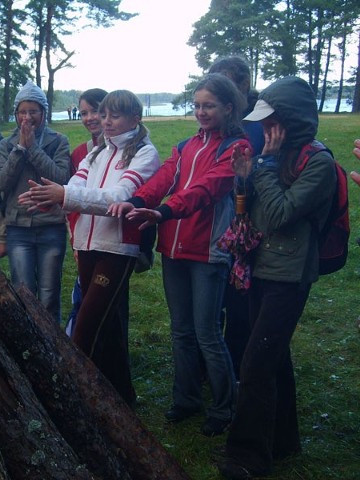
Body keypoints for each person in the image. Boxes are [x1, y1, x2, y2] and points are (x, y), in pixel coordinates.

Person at [108, 74, 251, 436]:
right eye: (198, 105)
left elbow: (207, 189)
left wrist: (164, 212)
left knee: (206, 333)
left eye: (210, 106)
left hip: (207, 251)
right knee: (181, 330)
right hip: (173, 248)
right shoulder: (186, 145)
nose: (201, 112)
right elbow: (164, 178)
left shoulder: (237, 148)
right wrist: (137, 201)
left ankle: (224, 406)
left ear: (228, 107)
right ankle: (186, 399)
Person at [217, 76, 337, 479]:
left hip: (289, 276)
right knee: (274, 358)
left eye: (272, 122)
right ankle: (284, 441)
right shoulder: (276, 153)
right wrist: (244, 177)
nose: (264, 130)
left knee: (255, 365)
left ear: (291, 120)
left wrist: (263, 168)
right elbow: (254, 211)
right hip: (261, 266)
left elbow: (284, 213)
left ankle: (247, 458)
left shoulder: (318, 162)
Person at [19, 90, 160, 406]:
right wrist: (51, 197)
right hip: (87, 245)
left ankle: (78, 402)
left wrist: (63, 196)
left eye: (115, 116)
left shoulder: (144, 154)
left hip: (116, 248)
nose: (106, 121)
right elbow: (77, 187)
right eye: (104, 114)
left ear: (135, 118)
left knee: (85, 329)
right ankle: (122, 399)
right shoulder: (96, 153)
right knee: (107, 331)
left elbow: (118, 197)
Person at [0, 80, 71, 322]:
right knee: (23, 291)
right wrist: (19, 149)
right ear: (16, 114)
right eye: (22, 111)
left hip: (51, 226)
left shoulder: (58, 141)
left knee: (49, 294)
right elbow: (2, 182)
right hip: (18, 228)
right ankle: (28, 345)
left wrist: (33, 147)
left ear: (43, 113)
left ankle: (54, 348)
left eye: (33, 111)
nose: (27, 117)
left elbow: (59, 178)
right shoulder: (5, 145)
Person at [209, 56, 265, 380]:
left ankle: (238, 365)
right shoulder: (217, 122)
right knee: (215, 299)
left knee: (241, 299)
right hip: (218, 225)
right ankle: (212, 364)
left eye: (226, 85)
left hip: (250, 226)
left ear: (243, 85)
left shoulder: (258, 123)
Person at [65, 88, 108, 336]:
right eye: (84, 112)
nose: (90, 117)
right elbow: (72, 201)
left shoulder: (129, 150)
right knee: (83, 300)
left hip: (111, 239)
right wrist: (75, 243)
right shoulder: (80, 153)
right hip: (84, 238)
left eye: (96, 110)